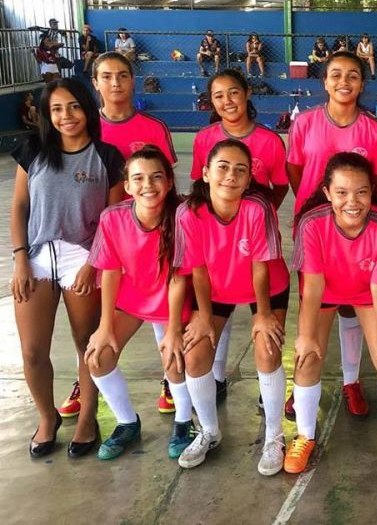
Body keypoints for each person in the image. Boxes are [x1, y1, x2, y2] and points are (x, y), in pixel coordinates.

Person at [10, 78, 124, 459]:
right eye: (56, 109)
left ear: (87, 109)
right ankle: (47, 418)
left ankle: (88, 417)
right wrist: (20, 258)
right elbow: (19, 207)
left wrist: (95, 263)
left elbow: (113, 220)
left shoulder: (107, 157)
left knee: (86, 345)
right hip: (38, 255)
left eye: (73, 106)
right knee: (31, 351)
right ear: (47, 115)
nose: (66, 116)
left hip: (84, 257)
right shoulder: (33, 150)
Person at [288, 152, 377, 474]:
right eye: (342, 192)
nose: (352, 201)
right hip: (324, 292)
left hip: (367, 293)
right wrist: (305, 336)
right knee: (308, 357)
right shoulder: (312, 223)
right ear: (328, 192)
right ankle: (304, 436)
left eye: (361, 191)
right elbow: (312, 286)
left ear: (372, 191)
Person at [169, 139, 289, 473]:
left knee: (267, 349)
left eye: (241, 170)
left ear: (250, 179)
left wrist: (263, 314)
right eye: (222, 167)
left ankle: (274, 437)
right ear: (205, 173)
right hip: (216, 288)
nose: (230, 176)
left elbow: (260, 266)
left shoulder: (257, 208)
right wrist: (205, 317)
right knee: (195, 354)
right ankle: (209, 430)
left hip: (265, 286)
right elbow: (198, 270)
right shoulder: (188, 213)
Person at [286, 51, 377, 420]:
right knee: (315, 304)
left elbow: (376, 183)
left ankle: (351, 381)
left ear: (362, 83)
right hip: (314, 230)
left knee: (354, 302)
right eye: (336, 75)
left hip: (359, 229)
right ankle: (302, 384)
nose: (344, 82)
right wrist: (318, 207)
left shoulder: (373, 131)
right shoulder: (305, 124)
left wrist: (350, 209)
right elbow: (296, 171)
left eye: (353, 76)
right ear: (324, 81)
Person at [85, 146, 194, 461]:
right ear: (128, 186)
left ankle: (184, 421)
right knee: (98, 357)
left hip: (170, 299)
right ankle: (127, 422)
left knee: (173, 359)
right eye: (139, 178)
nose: (148, 185)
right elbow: (110, 271)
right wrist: (105, 327)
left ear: (170, 181)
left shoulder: (181, 216)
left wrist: (173, 329)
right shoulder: (113, 217)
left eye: (156, 176)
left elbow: (177, 278)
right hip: (132, 300)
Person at [191, 69, 290, 399]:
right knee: (221, 311)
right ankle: (216, 377)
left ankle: (269, 389)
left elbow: (281, 186)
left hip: (257, 246)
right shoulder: (204, 139)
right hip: (220, 251)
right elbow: (198, 189)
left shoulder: (269, 141)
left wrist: (255, 215)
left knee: (264, 323)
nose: (227, 101)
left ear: (247, 93)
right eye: (218, 96)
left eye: (233, 92)